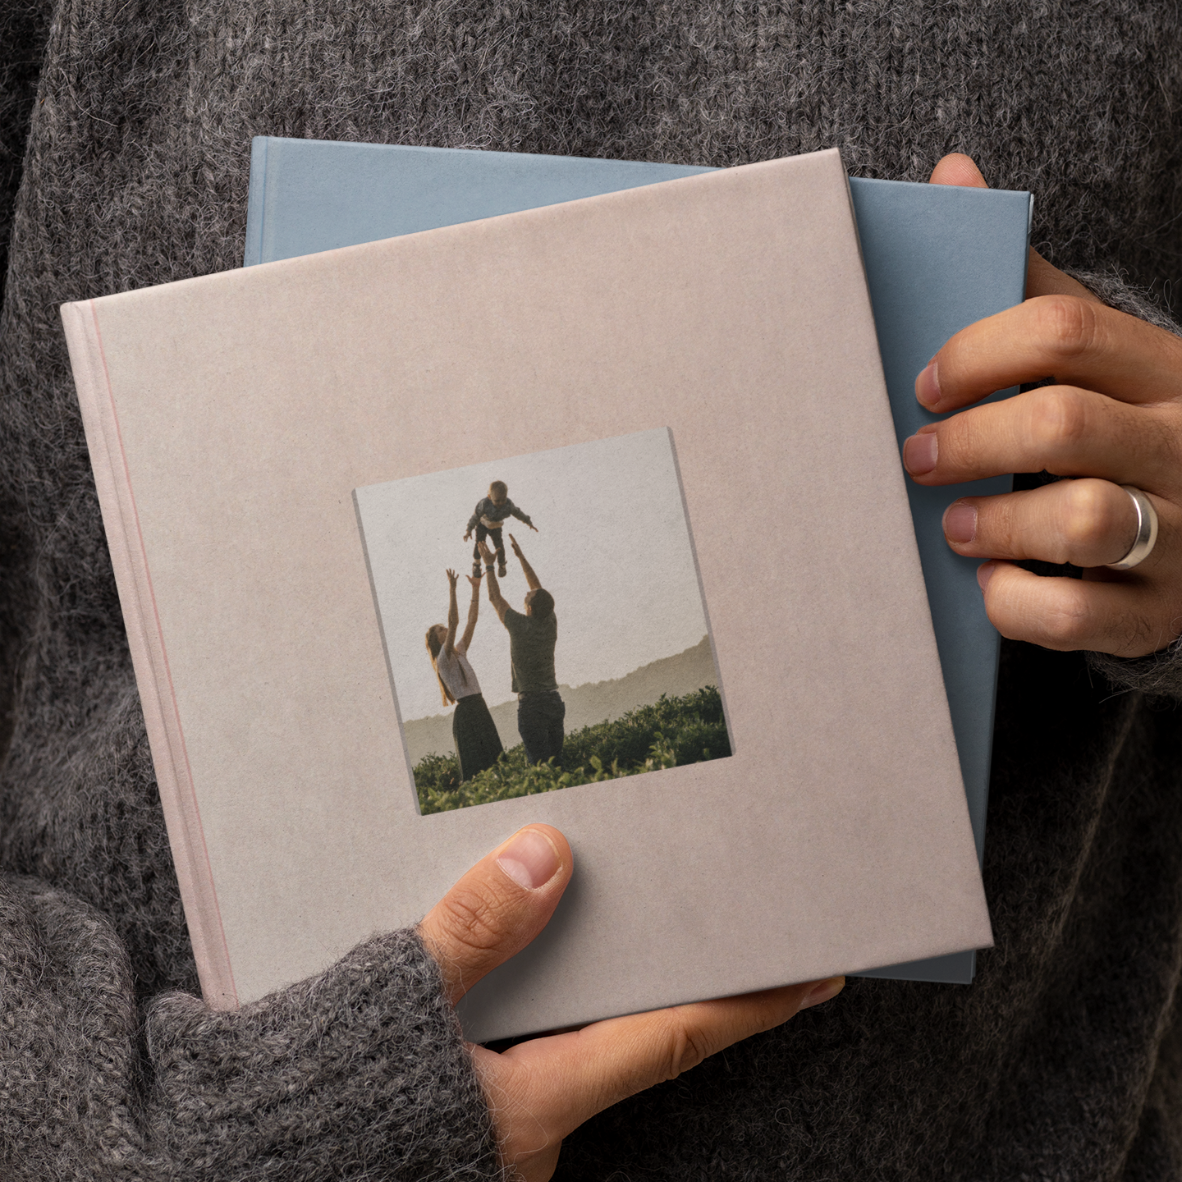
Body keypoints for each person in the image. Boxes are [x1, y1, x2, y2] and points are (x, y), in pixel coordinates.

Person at [4, 6, 1182, 1180]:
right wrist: (177, 1136)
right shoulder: (498, 645)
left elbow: (487, 611)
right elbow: (487, 612)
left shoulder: (502, 643)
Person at [477, 533, 566, 766]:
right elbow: (539, 589)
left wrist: (489, 565)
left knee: (539, 769)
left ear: (528, 609)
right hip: (554, 701)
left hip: (532, 706)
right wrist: (520, 556)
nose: (526, 592)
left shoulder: (519, 626)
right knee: (558, 765)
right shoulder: (550, 621)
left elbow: (495, 597)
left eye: (527, 597)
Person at [425, 568, 503, 781]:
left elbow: (471, 621)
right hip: (467, 714)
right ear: (435, 639)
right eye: (440, 630)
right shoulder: (442, 658)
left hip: (480, 706)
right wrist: (452, 588)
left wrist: (475, 590)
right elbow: (455, 622)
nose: (445, 629)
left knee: (497, 763)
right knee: (476, 772)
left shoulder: (460, 651)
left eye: (443, 627)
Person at [464, 479, 537, 578]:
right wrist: (469, 530)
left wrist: (528, 522)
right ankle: (476, 563)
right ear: (490, 497)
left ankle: (502, 564)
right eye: (497, 500)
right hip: (483, 524)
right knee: (479, 543)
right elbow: (475, 516)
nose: (500, 503)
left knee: (499, 546)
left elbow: (517, 513)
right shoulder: (484, 504)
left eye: (503, 499)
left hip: (496, 526)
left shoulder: (508, 505)